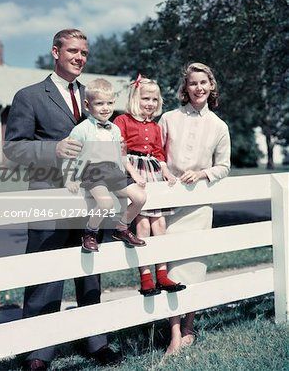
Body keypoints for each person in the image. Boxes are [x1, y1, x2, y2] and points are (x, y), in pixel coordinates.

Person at [4, 29, 120, 371]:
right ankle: (39, 351)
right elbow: (13, 147)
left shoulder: (93, 96)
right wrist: (51, 149)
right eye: (73, 50)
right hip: (48, 196)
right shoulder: (29, 96)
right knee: (45, 271)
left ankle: (95, 341)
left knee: (90, 271)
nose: (80, 57)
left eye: (84, 52)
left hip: (90, 198)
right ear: (55, 52)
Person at [159, 62, 231, 356]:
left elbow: (224, 167)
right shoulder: (168, 118)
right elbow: (154, 154)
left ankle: (189, 327)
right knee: (171, 267)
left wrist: (202, 174)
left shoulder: (219, 125)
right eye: (192, 83)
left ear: (211, 86)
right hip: (168, 204)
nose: (198, 88)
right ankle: (174, 333)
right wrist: (164, 170)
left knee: (194, 267)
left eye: (204, 82)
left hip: (200, 206)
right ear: (185, 88)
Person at [114, 75, 186, 296]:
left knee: (160, 225)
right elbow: (119, 150)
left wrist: (165, 171)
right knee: (143, 225)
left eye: (154, 100)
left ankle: (162, 274)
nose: (150, 103)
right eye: (146, 98)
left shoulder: (155, 127)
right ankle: (146, 277)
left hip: (153, 173)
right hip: (135, 172)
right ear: (135, 98)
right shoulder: (123, 121)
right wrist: (133, 173)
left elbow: (158, 152)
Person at [64, 78, 147, 252]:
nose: (105, 108)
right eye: (100, 103)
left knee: (140, 198)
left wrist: (131, 173)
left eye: (109, 103)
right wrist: (69, 179)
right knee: (106, 204)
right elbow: (69, 155)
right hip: (93, 172)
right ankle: (90, 232)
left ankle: (122, 228)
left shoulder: (115, 129)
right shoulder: (82, 129)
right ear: (87, 105)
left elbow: (120, 155)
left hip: (114, 172)